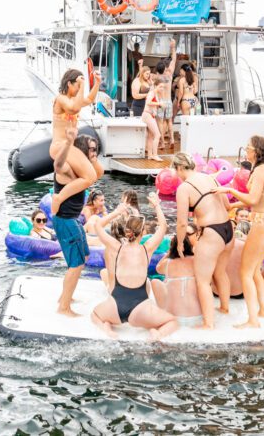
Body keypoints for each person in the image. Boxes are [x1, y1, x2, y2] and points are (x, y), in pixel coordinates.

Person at [90, 193, 179, 341]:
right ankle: (157, 334)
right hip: (140, 308)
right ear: (142, 232)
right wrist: (157, 205)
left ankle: (106, 327)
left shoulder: (116, 247)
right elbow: (163, 227)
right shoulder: (147, 248)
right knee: (171, 322)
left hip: (115, 306)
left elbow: (97, 225)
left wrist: (117, 212)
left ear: (127, 231)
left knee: (95, 315)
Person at [217, 135, 264, 329]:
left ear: (257, 151)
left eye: (248, 147)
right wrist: (232, 205)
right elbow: (258, 199)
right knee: (255, 270)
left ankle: (253, 320)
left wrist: (229, 191)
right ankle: (263, 311)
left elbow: (252, 200)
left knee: (245, 273)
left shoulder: (260, 171)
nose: (246, 150)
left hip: (261, 222)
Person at [173, 152, 234, 330]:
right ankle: (224, 308)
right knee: (220, 272)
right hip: (227, 228)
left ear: (179, 168)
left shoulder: (184, 188)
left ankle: (208, 323)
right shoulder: (210, 178)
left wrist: (179, 243)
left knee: (203, 280)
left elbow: (182, 222)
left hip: (212, 232)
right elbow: (228, 206)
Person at [51, 125, 102, 316]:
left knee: (85, 256)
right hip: (65, 220)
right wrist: (68, 143)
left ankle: (66, 296)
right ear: (81, 150)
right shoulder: (68, 169)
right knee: (76, 264)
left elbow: (98, 174)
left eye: (95, 149)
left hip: (73, 219)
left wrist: (94, 157)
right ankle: (63, 307)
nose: (93, 152)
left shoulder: (84, 172)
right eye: (90, 149)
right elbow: (57, 164)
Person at [50, 68, 102, 216]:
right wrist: (83, 85)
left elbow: (89, 100)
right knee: (90, 177)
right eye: (77, 86)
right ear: (69, 84)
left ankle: (68, 201)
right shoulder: (60, 99)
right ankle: (58, 197)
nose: (79, 90)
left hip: (68, 148)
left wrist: (97, 83)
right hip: (60, 146)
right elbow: (73, 109)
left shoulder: (74, 100)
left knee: (97, 173)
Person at [151, 235, 202, 327]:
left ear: (172, 248)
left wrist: (168, 254)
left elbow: (157, 268)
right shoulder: (197, 261)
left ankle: (162, 311)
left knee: (155, 281)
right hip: (198, 316)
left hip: (174, 318)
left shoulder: (167, 263)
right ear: (189, 246)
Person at [154, 38, 177, 149]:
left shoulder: (156, 78)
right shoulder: (169, 75)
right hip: (168, 101)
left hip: (160, 102)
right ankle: (172, 139)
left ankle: (162, 142)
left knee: (160, 122)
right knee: (169, 122)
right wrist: (173, 47)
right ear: (165, 68)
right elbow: (174, 60)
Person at [142, 76, 164, 161]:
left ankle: (150, 155)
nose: (162, 88)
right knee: (157, 135)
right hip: (147, 115)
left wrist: (159, 105)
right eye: (160, 86)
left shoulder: (155, 93)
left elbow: (153, 104)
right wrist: (159, 103)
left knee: (151, 136)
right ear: (156, 86)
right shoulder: (152, 93)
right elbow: (148, 102)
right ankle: (155, 155)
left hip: (150, 115)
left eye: (163, 87)